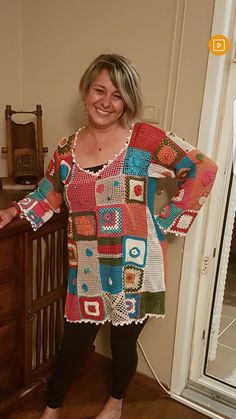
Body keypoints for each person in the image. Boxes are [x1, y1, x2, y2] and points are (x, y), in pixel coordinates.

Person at [0, 54, 218, 419]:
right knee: (73, 344)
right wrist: (11, 211)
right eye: (99, 90)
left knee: (123, 343)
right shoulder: (66, 150)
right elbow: (47, 195)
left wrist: (165, 222)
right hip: (87, 268)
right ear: (85, 92)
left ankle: (115, 402)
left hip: (136, 265)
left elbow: (202, 169)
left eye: (117, 95)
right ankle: (52, 407)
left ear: (127, 101)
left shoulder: (145, 140)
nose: (106, 101)